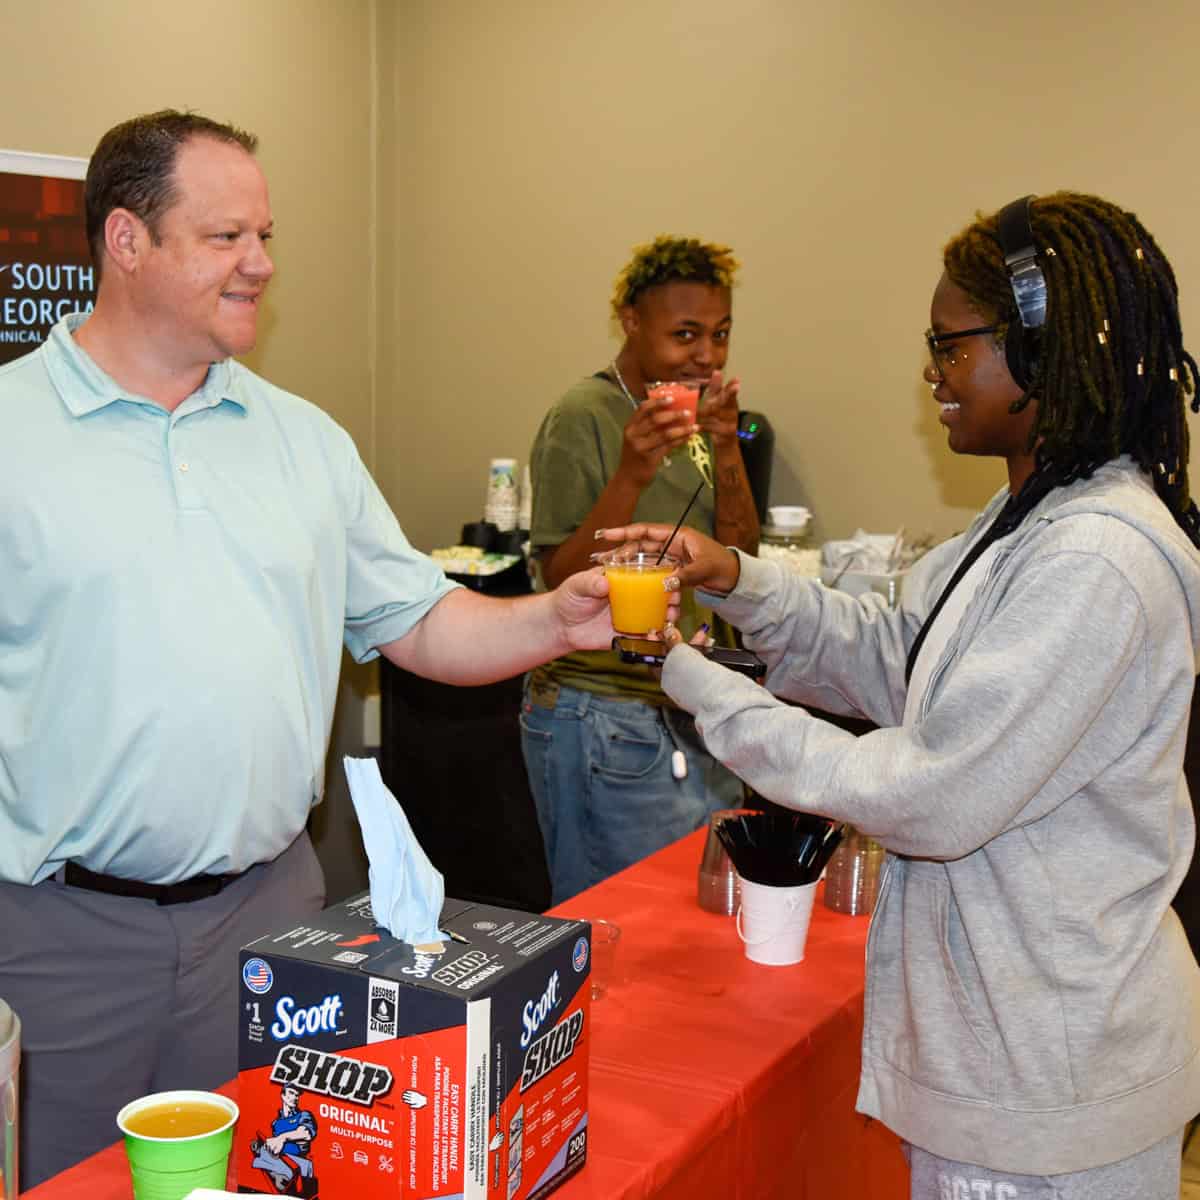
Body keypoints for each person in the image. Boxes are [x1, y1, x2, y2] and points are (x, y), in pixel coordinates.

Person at [0, 109, 623, 1189]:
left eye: (266, 236)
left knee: (276, 1176)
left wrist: (553, 623)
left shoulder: (303, 440)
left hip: (273, 921)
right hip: (59, 940)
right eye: (226, 237)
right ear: (126, 240)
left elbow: (418, 622)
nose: (261, 263)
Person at [602, 193, 1200, 1198]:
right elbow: (899, 652)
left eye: (950, 345)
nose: (932, 373)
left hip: (1048, 1083)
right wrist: (733, 578)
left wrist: (690, 677)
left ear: (1041, 348)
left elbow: (929, 795)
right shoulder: (1032, 514)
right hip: (1009, 1058)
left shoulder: (1095, 559)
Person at [521, 235, 761, 903]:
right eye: (685, 334)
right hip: (603, 712)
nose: (707, 354)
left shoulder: (693, 414)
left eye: (720, 334)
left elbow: (740, 559)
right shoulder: (584, 415)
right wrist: (631, 473)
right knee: (617, 925)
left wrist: (726, 446)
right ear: (631, 320)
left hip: (691, 700)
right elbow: (558, 577)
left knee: (693, 925)